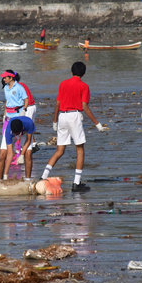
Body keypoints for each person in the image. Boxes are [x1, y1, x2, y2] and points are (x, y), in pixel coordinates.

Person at [40, 62, 108, 192]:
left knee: (60, 150)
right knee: (80, 149)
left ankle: (43, 177)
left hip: (62, 117)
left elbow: (57, 104)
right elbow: (84, 107)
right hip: (74, 116)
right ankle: (76, 183)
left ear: (71, 71)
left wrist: (54, 121)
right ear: (83, 73)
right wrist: (97, 124)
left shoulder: (63, 84)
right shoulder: (84, 86)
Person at [0, 70, 29, 164]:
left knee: (17, 136)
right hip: (8, 114)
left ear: (11, 78)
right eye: (3, 77)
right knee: (5, 134)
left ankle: (18, 156)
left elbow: (26, 99)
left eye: (5, 77)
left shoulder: (19, 87)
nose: (3, 79)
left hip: (17, 114)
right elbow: (7, 102)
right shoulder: (5, 88)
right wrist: (4, 114)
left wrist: (24, 110)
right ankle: (10, 154)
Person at [0, 116, 35, 181]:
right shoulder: (9, 131)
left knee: (28, 154)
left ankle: (28, 180)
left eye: (17, 133)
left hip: (24, 133)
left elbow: (28, 140)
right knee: (2, 155)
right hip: (12, 131)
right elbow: (10, 153)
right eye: (15, 133)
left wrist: (22, 155)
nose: (16, 135)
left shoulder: (29, 123)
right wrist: (6, 175)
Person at [14, 72, 40, 154]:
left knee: (25, 128)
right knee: (28, 127)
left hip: (28, 108)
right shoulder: (21, 85)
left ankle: (27, 147)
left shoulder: (17, 87)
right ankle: (33, 144)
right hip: (31, 107)